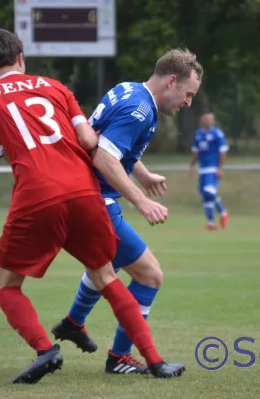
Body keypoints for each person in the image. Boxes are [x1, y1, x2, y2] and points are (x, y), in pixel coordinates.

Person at [0, 28, 185, 384]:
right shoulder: (55, 86)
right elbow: (88, 139)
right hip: (85, 193)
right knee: (108, 277)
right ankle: (155, 361)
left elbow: (9, 153)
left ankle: (45, 349)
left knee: (6, 286)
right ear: (21, 57)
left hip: (36, 195)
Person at [51, 49, 203, 375]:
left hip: (83, 196)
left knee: (109, 265)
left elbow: (112, 144)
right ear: (172, 81)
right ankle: (119, 357)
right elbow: (104, 157)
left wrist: (142, 174)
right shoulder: (140, 108)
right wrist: (141, 200)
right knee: (150, 275)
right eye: (188, 94)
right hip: (95, 201)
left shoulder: (129, 89)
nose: (188, 102)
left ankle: (73, 322)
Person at [189, 112, 229, 230]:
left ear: (213, 121)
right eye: (205, 119)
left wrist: (220, 168)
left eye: (209, 119)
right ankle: (211, 223)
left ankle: (223, 212)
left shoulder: (217, 134)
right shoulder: (198, 134)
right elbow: (196, 152)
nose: (207, 121)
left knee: (209, 192)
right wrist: (192, 166)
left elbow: (223, 151)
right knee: (205, 197)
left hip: (213, 168)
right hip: (202, 169)